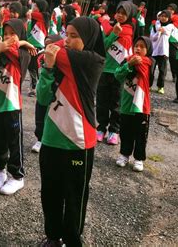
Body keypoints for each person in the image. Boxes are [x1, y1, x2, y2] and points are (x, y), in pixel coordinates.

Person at [37, 17, 105, 247]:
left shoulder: (92, 61)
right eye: (67, 34)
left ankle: (72, 240)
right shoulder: (58, 64)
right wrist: (47, 67)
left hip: (78, 143)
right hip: (51, 139)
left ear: (89, 39)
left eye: (75, 36)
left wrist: (48, 53)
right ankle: (53, 237)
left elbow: (49, 50)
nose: (67, 40)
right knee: (50, 193)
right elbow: (43, 97)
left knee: (75, 197)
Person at [0, 19, 32, 195]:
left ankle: (17, 176)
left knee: (14, 142)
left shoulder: (23, 55)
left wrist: (22, 43)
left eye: (13, 34)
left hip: (11, 107)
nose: (8, 38)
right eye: (6, 34)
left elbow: (17, 50)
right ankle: (0, 170)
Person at [96, 1, 135, 145]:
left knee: (117, 103)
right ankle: (101, 128)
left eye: (124, 13)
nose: (120, 15)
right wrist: (113, 34)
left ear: (129, 15)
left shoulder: (130, 31)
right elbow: (102, 47)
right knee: (101, 102)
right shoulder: (108, 29)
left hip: (119, 73)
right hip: (104, 70)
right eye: (118, 12)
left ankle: (114, 130)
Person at [114, 36, 153, 172]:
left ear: (148, 50)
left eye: (142, 47)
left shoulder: (149, 63)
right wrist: (129, 65)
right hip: (126, 103)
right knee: (125, 131)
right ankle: (124, 154)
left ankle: (139, 158)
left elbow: (150, 80)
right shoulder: (127, 60)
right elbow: (117, 75)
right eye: (136, 45)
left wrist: (137, 63)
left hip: (142, 105)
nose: (138, 48)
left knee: (140, 133)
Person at [31, 34, 62, 154]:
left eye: (51, 45)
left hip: (58, 95)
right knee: (40, 114)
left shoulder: (63, 60)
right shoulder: (42, 57)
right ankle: (40, 139)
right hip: (43, 91)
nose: (47, 47)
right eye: (46, 45)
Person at [150, 9, 177, 94]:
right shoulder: (155, 26)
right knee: (150, 70)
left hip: (163, 51)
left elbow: (166, 31)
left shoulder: (170, 26)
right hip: (154, 50)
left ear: (169, 18)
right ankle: (148, 85)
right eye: (162, 16)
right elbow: (152, 37)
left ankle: (160, 86)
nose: (163, 18)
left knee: (162, 70)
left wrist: (160, 31)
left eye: (165, 16)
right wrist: (158, 32)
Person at [27, 0, 50, 97]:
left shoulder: (44, 16)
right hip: (31, 45)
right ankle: (34, 87)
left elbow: (28, 13)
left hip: (39, 46)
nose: (34, 7)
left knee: (37, 68)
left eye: (36, 6)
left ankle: (38, 88)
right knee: (31, 67)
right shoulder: (35, 18)